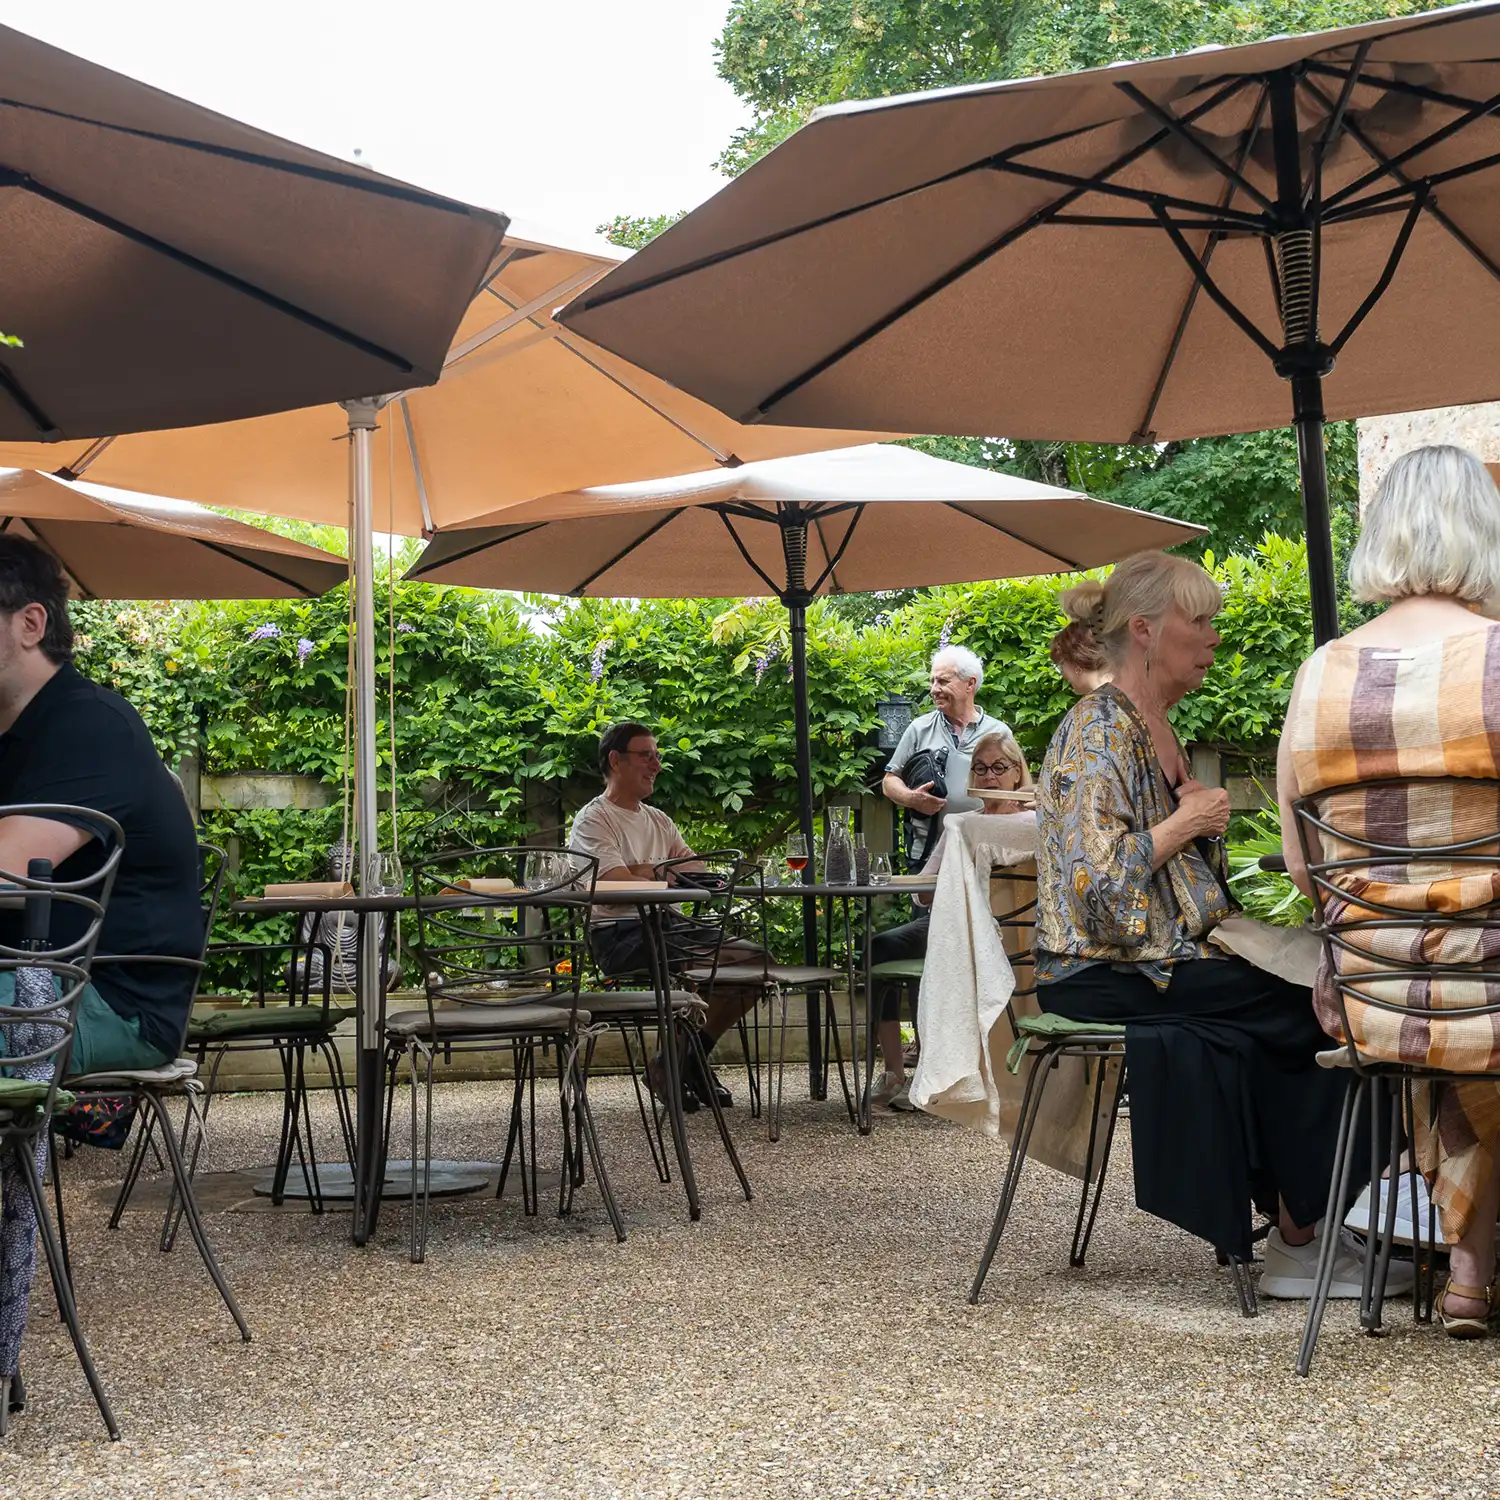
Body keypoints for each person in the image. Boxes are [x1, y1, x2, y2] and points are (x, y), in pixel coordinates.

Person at [1032, 549, 1399, 1299]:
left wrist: (1191, 827)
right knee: (1320, 1009)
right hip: (1100, 972)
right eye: (1200, 622)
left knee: (1312, 997)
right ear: (1145, 630)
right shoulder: (1096, 732)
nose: (1214, 639)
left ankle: (1302, 1227)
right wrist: (1187, 821)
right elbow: (1098, 890)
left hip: (1157, 959)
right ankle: (1304, 1234)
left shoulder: (1154, 727)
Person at [1278, 444, 1500, 1335]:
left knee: (1455, 1009)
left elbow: (1305, 868)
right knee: (1480, 1005)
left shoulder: (1322, 672)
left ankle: (1472, 1268)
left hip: (1378, 999)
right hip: (1491, 984)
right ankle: (1477, 1263)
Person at [0, 536, 202, 1076]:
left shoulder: (88, 725)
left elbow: (7, 876)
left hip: (103, 999)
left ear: (30, 624)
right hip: (29, 978)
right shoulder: (14, 735)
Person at [569, 721, 760, 1109]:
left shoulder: (659, 820)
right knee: (718, 965)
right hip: (620, 934)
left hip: (669, 927)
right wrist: (656, 872)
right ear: (616, 760)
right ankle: (678, 1064)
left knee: (756, 963)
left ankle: (680, 1060)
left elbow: (696, 870)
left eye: (657, 755)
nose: (656, 764)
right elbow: (616, 881)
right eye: (647, 755)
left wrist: (647, 869)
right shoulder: (594, 819)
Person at [869, 728, 1033, 1112]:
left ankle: (952, 1071)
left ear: (1017, 772)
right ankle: (895, 1071)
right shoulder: (961, 822)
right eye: (980, 768)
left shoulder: (1036, 820)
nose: (989, 776)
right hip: (955, 923)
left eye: (998, 767)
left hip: (1015, 932)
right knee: (880, 946)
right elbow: (922, 893)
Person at [882, 645, 1009, 870]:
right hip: (929, 856)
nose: (933, 689)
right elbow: (889, 781)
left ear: (970, 683)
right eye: (932, 681)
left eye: (942, 681)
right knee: (927, 905)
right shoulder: (919, 729)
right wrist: (912, 798)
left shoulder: (999, 733)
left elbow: (1017, 787)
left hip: (984, 856)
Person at [1049, 621, 1110, 696]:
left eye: (1061, 665)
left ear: (1076, 664)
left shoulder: (1091, 705)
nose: (1064, 676)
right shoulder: (1124, 687)